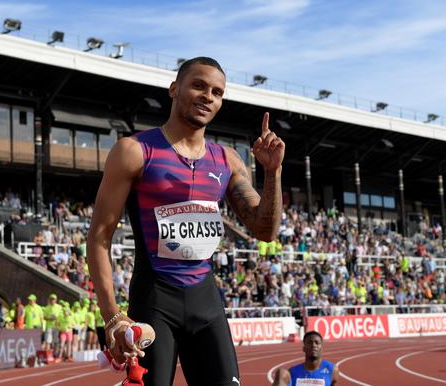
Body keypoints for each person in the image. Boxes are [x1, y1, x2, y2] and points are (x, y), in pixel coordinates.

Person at [87, 57, 285, 385]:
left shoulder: (227, 160)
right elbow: (99, 237)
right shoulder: (134, 151)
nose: (208, 96)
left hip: (205, 300)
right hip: (154, 300)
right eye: (198, 85)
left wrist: (273, 171)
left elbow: (265, 230)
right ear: (174, 89)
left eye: (217, 92)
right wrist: (113, 319)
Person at [272, 331, 339, 386]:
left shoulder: (332, 370)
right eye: (310, 343)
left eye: (317, 343)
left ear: (321, 348)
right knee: (281, 372)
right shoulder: (292, 372)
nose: (313, 345)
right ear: (304, 348)